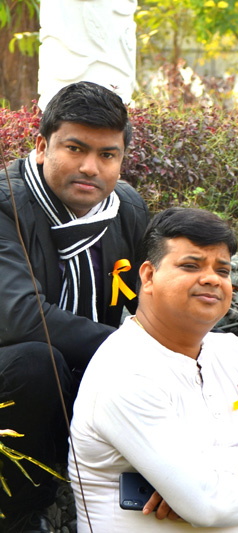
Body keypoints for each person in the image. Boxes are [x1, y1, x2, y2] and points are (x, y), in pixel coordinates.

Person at [68, 207, 238, 532]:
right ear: (148, 277)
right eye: (191, 266)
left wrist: (208, 463)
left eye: (223, 270)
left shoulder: (237, 354)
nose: (211, 279)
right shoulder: (124, 370)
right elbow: (207, 505)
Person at [0, 81, 149, 532]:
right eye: (75, 148)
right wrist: (133, 347)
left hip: (83, 373)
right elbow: (21, 317)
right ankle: (22, 516)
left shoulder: (124, 209)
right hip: (19, 376)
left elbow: (155, 288)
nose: (91, 167)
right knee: (37, 361)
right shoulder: (6, 205)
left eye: (107, 155)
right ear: (42, 146)